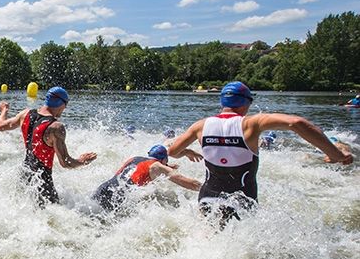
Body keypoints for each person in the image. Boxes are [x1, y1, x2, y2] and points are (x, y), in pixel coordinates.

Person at [168, 81, 353, 226]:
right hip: (242, 202)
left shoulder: (200, 126)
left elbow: (173, 151)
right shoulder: (250, 124)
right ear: (246, 102)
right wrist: (336, 154)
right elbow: (297, 123)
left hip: (207, 198)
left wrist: (187, 152)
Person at [0, 86, 97, 206]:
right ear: (62, 104)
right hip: (42, 182)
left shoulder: (25, 114)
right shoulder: (56, 127)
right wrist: (82, 161)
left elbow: (0, 126)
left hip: (24, 174)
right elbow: (65, 163)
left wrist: (4, 110)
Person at [92, 144, 201, 212]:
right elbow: (184, 181)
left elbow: (121, 174)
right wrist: (205, 188)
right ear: (163, 159)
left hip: (105, 187)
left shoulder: (134, 158)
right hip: (118, 195)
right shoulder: (157, 166)